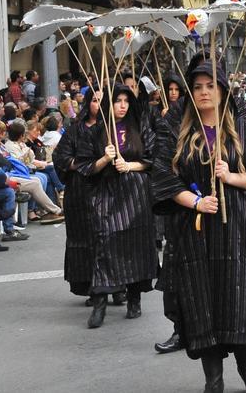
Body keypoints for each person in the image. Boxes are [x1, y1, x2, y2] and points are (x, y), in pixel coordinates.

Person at [152, 60, 246, 393]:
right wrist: (196, 202)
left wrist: (232, 176)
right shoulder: (175, 128)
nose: (204, 92)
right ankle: (213, 378)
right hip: (194, 232)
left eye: (210, 85)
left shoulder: (243, 126)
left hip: (238, 229)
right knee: (201, 302)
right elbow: (163, 179)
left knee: (239, 297)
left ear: (222, 89)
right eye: (197, 87)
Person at [71, 84, 157, 328]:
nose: (122, 105)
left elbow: (153, 159)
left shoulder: (140, 128)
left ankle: (134, 298)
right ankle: (99, 303)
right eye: (117, 100)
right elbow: (85, 166)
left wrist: (131, 166)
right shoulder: (96, 132)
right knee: (104, 243)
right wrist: (104, 159)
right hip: (105, 194)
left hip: (136, 194)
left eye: (126, 100)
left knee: (135, 246)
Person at [53, 89, 100, 299]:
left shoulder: (117, 129)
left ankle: (117, 286)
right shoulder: (75, 130)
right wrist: (87, 165)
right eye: (95, 100)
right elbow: (61, 156)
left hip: (109, 191)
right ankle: (90, 285)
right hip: (80, 192)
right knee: (84, 240)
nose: (99, 105)